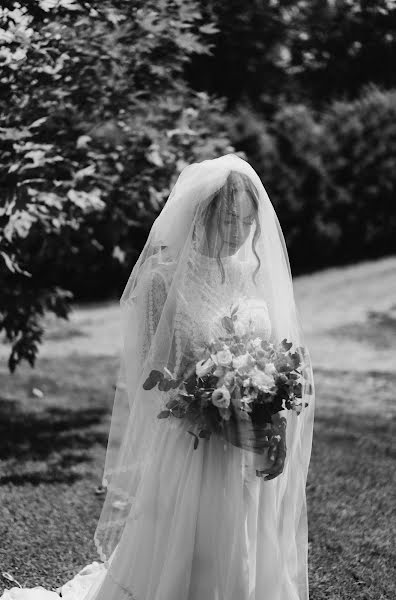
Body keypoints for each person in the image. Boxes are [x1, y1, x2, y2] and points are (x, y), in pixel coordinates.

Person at [2, 154, 315, 600]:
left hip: (249, 447)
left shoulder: (252, 278)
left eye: (248, 222)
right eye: (228, 218)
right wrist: (224, 419)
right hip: (194, 449)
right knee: (192, 558)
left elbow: (275, 361)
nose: (238, 232)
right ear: (198, 213)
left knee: (247, 550)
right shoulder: (161, 283)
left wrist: (272, 424)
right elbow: (154, 379)